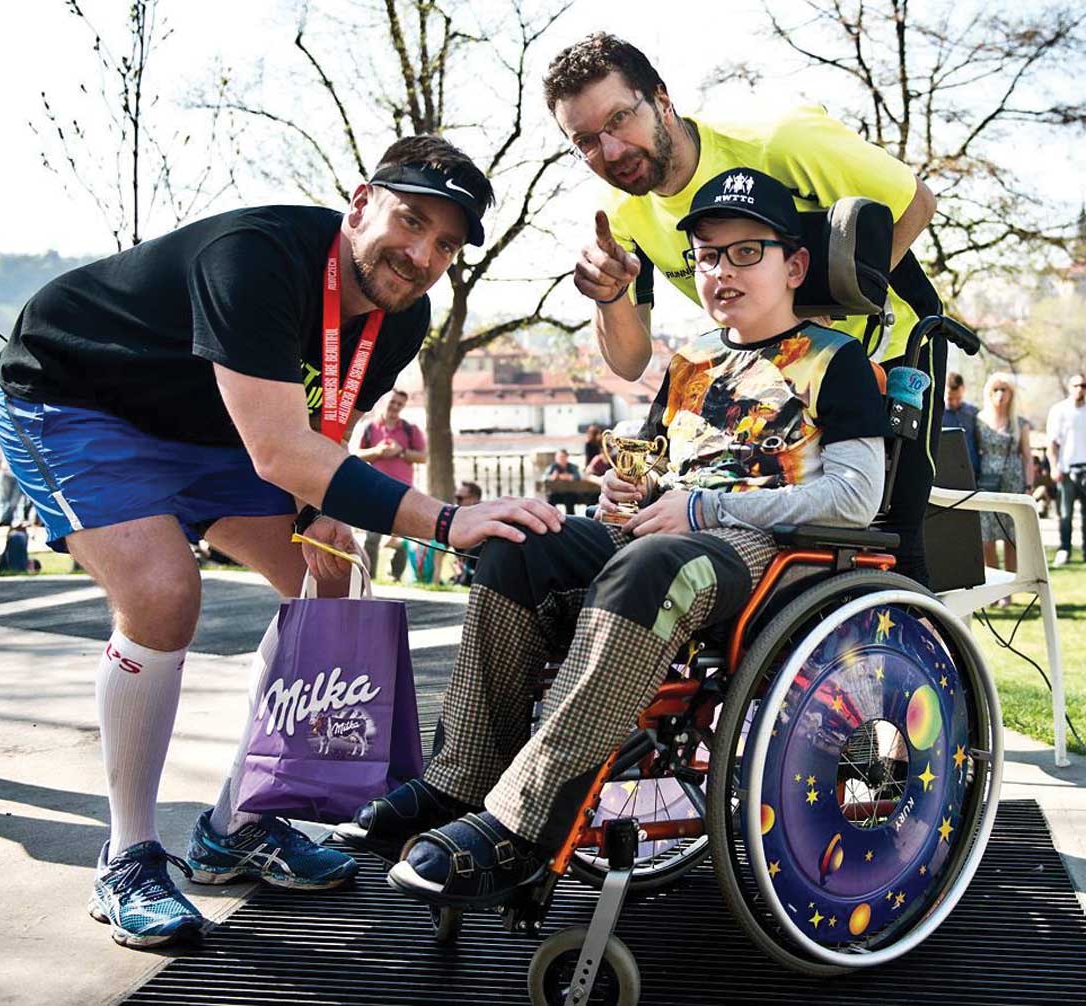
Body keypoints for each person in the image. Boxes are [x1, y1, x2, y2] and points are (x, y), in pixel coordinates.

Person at [0, 135, 563, 949]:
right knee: (163, 593)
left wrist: (317, 512)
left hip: (220, 431)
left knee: (334, 582)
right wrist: (443, 519)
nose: (422, 254)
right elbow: (281, 450)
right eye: (411, 221)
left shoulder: (405, 314)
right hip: (79, 401)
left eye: (447, 245)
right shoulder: (255, 257)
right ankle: (129, 856)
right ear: (360, 203)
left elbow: (323, 427)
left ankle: (235, 825)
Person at [336, 170, 889, 908]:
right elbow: (658, 463)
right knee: (519, 538)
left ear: (793, 265)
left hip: (763, 550)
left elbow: (858, 496)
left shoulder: (837, 361)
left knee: (654, 567)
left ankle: (523, 825)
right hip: (664, 534)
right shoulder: (691, 361)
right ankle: (459, 779)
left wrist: (697, 513)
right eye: (706, 255)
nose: (720, 271)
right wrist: (625, 485)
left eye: (745, 252)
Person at [544, 33, 941, 585]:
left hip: (887, 352)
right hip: (757, 379)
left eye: (617, 121)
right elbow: (631, 361)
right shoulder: (620, 210)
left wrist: (813, 317)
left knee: (889, 533)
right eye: (584, 140)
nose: (609, 152)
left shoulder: (783, 139)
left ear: (662, 100)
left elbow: (917, 202)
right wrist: (610, 297)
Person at [358, 388, 427, 579]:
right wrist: (378, 452)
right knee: (372, 537)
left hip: (402, 491)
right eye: (393, 402)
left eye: (400, 404)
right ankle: (369, 577)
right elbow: (356, 454)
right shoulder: (370, 428)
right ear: (384, 401)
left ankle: (396, 575)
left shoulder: (409, 429)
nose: (395, 407)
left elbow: (423, 457)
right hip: (374, 490)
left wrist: (401, 452)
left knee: (401, 536)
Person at [976, 373, 1031, 600]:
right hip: (988, 482)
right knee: (987, 537)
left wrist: (1029, 486)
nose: (1000, 394)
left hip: (1013, 482)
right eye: (996, 390)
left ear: (1011, 394)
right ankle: (994, 587)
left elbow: (1027, 456)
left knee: (1011, 538)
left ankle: (1009, 588)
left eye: (1004, 390)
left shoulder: (1019, 423)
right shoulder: (979, 420)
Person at [1047, 373, 1086, 567]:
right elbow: (1052, 443)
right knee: (1065, 514)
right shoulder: (1059, 410)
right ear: (1070, 387)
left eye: (1083, 385)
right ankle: (1064, 550)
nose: (1080, 389)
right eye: (1076, 385)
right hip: (1066, 470)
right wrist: (1054, 467)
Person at [942, 372, 981, 480]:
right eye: (950, 399)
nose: (954, 403)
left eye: (958, 398)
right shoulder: (939, 414)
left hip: (971, 470)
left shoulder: (973, 413)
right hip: (946, 469)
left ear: (963, 390)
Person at [451, 481, 483, 586]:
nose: (457, 502)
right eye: (456, 498)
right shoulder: (459, 515)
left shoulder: (484, 515)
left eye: (460, 498)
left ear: (474, 498)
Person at [0, 440, 25, 525]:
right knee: (13, 499)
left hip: (9, 472)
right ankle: (6, 518)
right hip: (16, 474)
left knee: (7, 498)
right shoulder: (20, 441)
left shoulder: (3, 440)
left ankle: (6, 518)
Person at [542, 447, 587, 514]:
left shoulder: (572, 467)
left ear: (566, 457)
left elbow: (578, 476)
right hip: (556, 493)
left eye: (563, 457)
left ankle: (571, 519)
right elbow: (544, 477)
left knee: (570, 498)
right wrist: (552, 477)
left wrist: (568, 477)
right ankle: (552, 516)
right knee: (550, 497)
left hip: (569, 492)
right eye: (559, 457)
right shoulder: (553, 467)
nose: (561, 459)